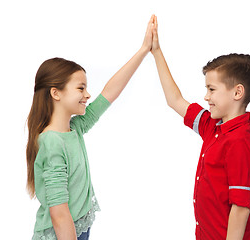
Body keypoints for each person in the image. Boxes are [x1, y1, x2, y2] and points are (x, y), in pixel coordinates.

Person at [26, 15, 156, 240]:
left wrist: (144, 50)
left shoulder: (74, 128)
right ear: (56, 93)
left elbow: (109, 93)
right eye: (81, 88)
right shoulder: (52, 143)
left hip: (77, 229)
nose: (87, 95)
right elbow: (59, 215)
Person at [150, 16, 250, 240]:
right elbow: (175, 100)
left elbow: (240, 208)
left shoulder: (240, 141)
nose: (206, 96)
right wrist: (156, 52)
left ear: (237, 93)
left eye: (211, 89)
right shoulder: (214, 126)